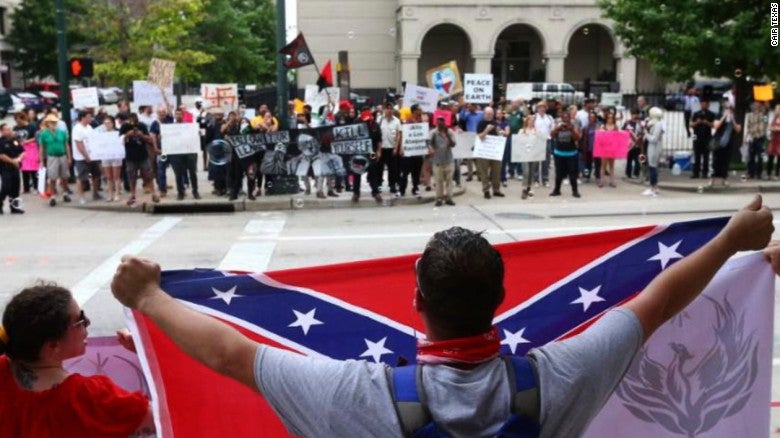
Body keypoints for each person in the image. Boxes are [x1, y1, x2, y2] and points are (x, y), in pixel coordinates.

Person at [111, 196, 774, 438]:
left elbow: (231, 354)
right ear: (501, 299)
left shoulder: (352, 395)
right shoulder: (565, 374)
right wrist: (732, 244)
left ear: (416, 303)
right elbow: (654, 303)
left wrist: (149, 298)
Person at [0, 282, 153, 436]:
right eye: (80, 321)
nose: (88, 321)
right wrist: (148, 353)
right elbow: (167, 416)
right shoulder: (92, 397)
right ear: (53, 346)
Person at [120, 113, 160, 207]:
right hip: (130, 156)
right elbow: (119, 140)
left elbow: (149, 139)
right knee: (132, 176)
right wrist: (127, 135)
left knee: (149, 174)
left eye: (135, 120)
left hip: (143, 155)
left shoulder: (142, 126)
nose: (133, 123)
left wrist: (141, 135)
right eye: (131, 120)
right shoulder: (125, 127)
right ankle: (133, 194)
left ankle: (153, 192)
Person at [38, 114, 72, 206]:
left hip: (62, 155)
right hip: (52, 156)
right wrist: (41, 160)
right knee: (52, 177)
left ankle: (65, 193)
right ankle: (53, 196)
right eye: (52, 122)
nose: (54, 124)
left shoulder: (62, 132)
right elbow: (42, 148)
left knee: (64, 176)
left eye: (55, 122)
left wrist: (69, 157)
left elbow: (66, 145)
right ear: (48, 123)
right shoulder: (44, 134)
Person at [72, 111, 102, 205]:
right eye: (89, 117)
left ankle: (95, 193)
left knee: (96, 175)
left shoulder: (89, 127)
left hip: (92, 155)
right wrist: (86, 156)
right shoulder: (77, 129)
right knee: (81, 177)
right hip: (81, 157)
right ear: (83, 117)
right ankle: (81, 197)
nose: (90, 119)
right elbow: (79, 145)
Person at [549, 111, 581, 198]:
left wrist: (571, 129)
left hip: (571, 154)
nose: (565, 119)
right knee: (558, 174)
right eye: (564, 117)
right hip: (559, 153)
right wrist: (558, 129)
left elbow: (577, 138)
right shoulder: (558, 125)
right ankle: (557, 190)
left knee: (572, 174)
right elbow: (551, 135)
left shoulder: (573, 126)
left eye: (567, 117)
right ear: (562, 118)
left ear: (570, 118)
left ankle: (575, 191)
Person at [476, 107, 505, 199]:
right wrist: (486, 130)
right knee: (484, 172)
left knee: (496, 171)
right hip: (484, 152)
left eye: (491, 114)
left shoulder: (496, 123)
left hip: (495, 151)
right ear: (484, 114)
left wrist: (500, 132)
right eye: (488, 113)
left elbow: (500, 135)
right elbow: (479, 137)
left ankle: (496, 189)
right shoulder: (481, 123)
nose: (490, 115)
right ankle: (486, 190)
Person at [709, 105, 742, 187]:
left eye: (730, 109)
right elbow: (716, 126)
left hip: (729, 142)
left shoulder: (735, 117)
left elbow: (738, 129)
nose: (729, 111)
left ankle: (725, 179)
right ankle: (712, 179)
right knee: (715, 161)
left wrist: (732, 120)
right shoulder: (719, 115)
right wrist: (724, 117)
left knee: (726, 161)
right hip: (718, 142)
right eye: (727, 109)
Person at [429, 115, 456, 206]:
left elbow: (453, 144)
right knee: (439, 181)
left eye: (442, 121)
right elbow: (428, 142)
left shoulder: (450, 132)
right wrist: (431, 148)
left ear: (445, 122)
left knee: (449, 180)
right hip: (437, 161)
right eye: (439, 121)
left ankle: (449, 198)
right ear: (436, 122)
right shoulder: (433, 132)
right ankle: (439, 198)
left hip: (449, 160)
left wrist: (447, 135)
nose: (440, 123)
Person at [96, 116, 123, 202]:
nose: (107, 125)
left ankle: (117, 194)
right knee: (108, 177)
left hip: (115, 156)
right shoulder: (101, 134)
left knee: (116, 176)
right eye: (105, 123)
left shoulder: (117, 133)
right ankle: (110, 194)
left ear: (113, 123)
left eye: (109, 123)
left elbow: (121, 144)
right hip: (106, 156)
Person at [377, 102, 402, 197]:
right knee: (379, 167)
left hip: (392, 148)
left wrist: (396, 147)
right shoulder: (380, 120)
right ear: (384, 110)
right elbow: (377, 135)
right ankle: (379, 185)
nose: (389, 110)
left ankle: (392, 185)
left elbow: (399, 134)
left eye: (390, 108)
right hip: (381, 148)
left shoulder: (396, 121)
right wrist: (377, 149)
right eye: (387, 108)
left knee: (392, 168)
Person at [0, 123, 25, 214]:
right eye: (7, 129)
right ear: (2, 131)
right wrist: (13, 161)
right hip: (5, 167)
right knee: (6, 187)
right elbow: (2, 156)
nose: (9, 131)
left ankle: (14, 207)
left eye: (10, 129)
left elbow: (22, 151)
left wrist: (19, 159)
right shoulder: (1, 142)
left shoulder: (15, 140)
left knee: (15, 188)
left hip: (15, 167)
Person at [689, 99, 716, 179]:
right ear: (700, 104)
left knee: (706, 156)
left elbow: (714, 125)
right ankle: (695, 173)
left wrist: (706, 122)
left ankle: (705, 173)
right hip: (697, 136)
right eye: (702, 103)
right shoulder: (696, 113)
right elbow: (691, 125)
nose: (703, 105)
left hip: (707, 137)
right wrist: (697, 122)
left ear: (708, 105)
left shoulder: (711, 114)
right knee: (696, 155)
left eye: (705, 104)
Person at [642, 107, 665, 197]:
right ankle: (655, 186)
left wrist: (646, 134)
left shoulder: (658, 124)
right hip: (652, 147)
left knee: (652, 167)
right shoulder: (653, 123)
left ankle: (652, 188)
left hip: (654, 147)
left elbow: (654, 139)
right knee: (652, 167)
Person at [743, 101, 769, 180]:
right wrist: (745, 138)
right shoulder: (750, 115)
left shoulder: (763, 115)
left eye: (757, 105)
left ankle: (759, 174)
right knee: (751, 156)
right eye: (754, 105)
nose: (756, 106)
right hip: (752, 137)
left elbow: (766, 122)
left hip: (760, 137)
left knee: (760, 157)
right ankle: (751, 173)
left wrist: (766, 106)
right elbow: (748, 126)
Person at [599, 111, 620, 188]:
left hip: (612, 148)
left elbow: (618, 137)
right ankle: (602, 181)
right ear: (606, 118)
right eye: (608, 118)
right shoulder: (603, 126)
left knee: (612, 165)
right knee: (603, 165)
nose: (610, 119)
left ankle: (612, 181)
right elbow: (599, 138)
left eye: (611, 118)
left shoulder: (615, 126)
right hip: (604, 148)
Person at [767, 104, 780, 180]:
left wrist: (777, 129)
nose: (778, 111)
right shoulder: (774, 119)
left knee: (779, 158)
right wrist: (772, 128)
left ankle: (776, 174)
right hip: (773, 140)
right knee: (770, 157)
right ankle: (769, 174)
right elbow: (769, 127)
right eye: (777, 109)